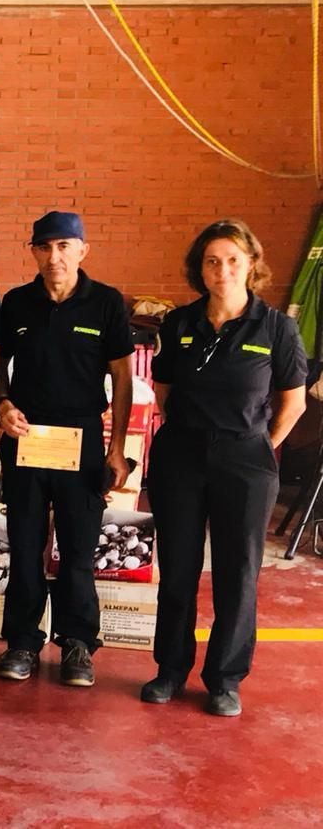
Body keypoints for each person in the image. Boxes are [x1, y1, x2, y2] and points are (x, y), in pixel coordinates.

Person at [143, 220, 306, 717]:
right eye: (212, 261)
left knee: (238, 572)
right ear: (200, 268)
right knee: (178, 568)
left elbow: (293, 401)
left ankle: (225, 679)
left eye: (233, 260)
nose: (223, 270)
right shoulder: (179, 323)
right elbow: (165, 392)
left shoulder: (275, 327)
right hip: (181, 456)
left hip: (246, 459)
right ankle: (170, 671)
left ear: (251, 264)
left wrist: (260, 447)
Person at [0, 211, 133, 688]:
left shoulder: (106, 303)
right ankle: (22, 642)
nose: (55, 256)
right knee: (25, 544)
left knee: (77, 547)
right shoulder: (16, 303)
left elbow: (122, 377)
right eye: (45, 247)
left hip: (83, 441)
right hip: (27, 439)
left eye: (64, 246)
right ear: (34, 251)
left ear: (82, 250)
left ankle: (77, 642)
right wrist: (3, 403)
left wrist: (116, 448)